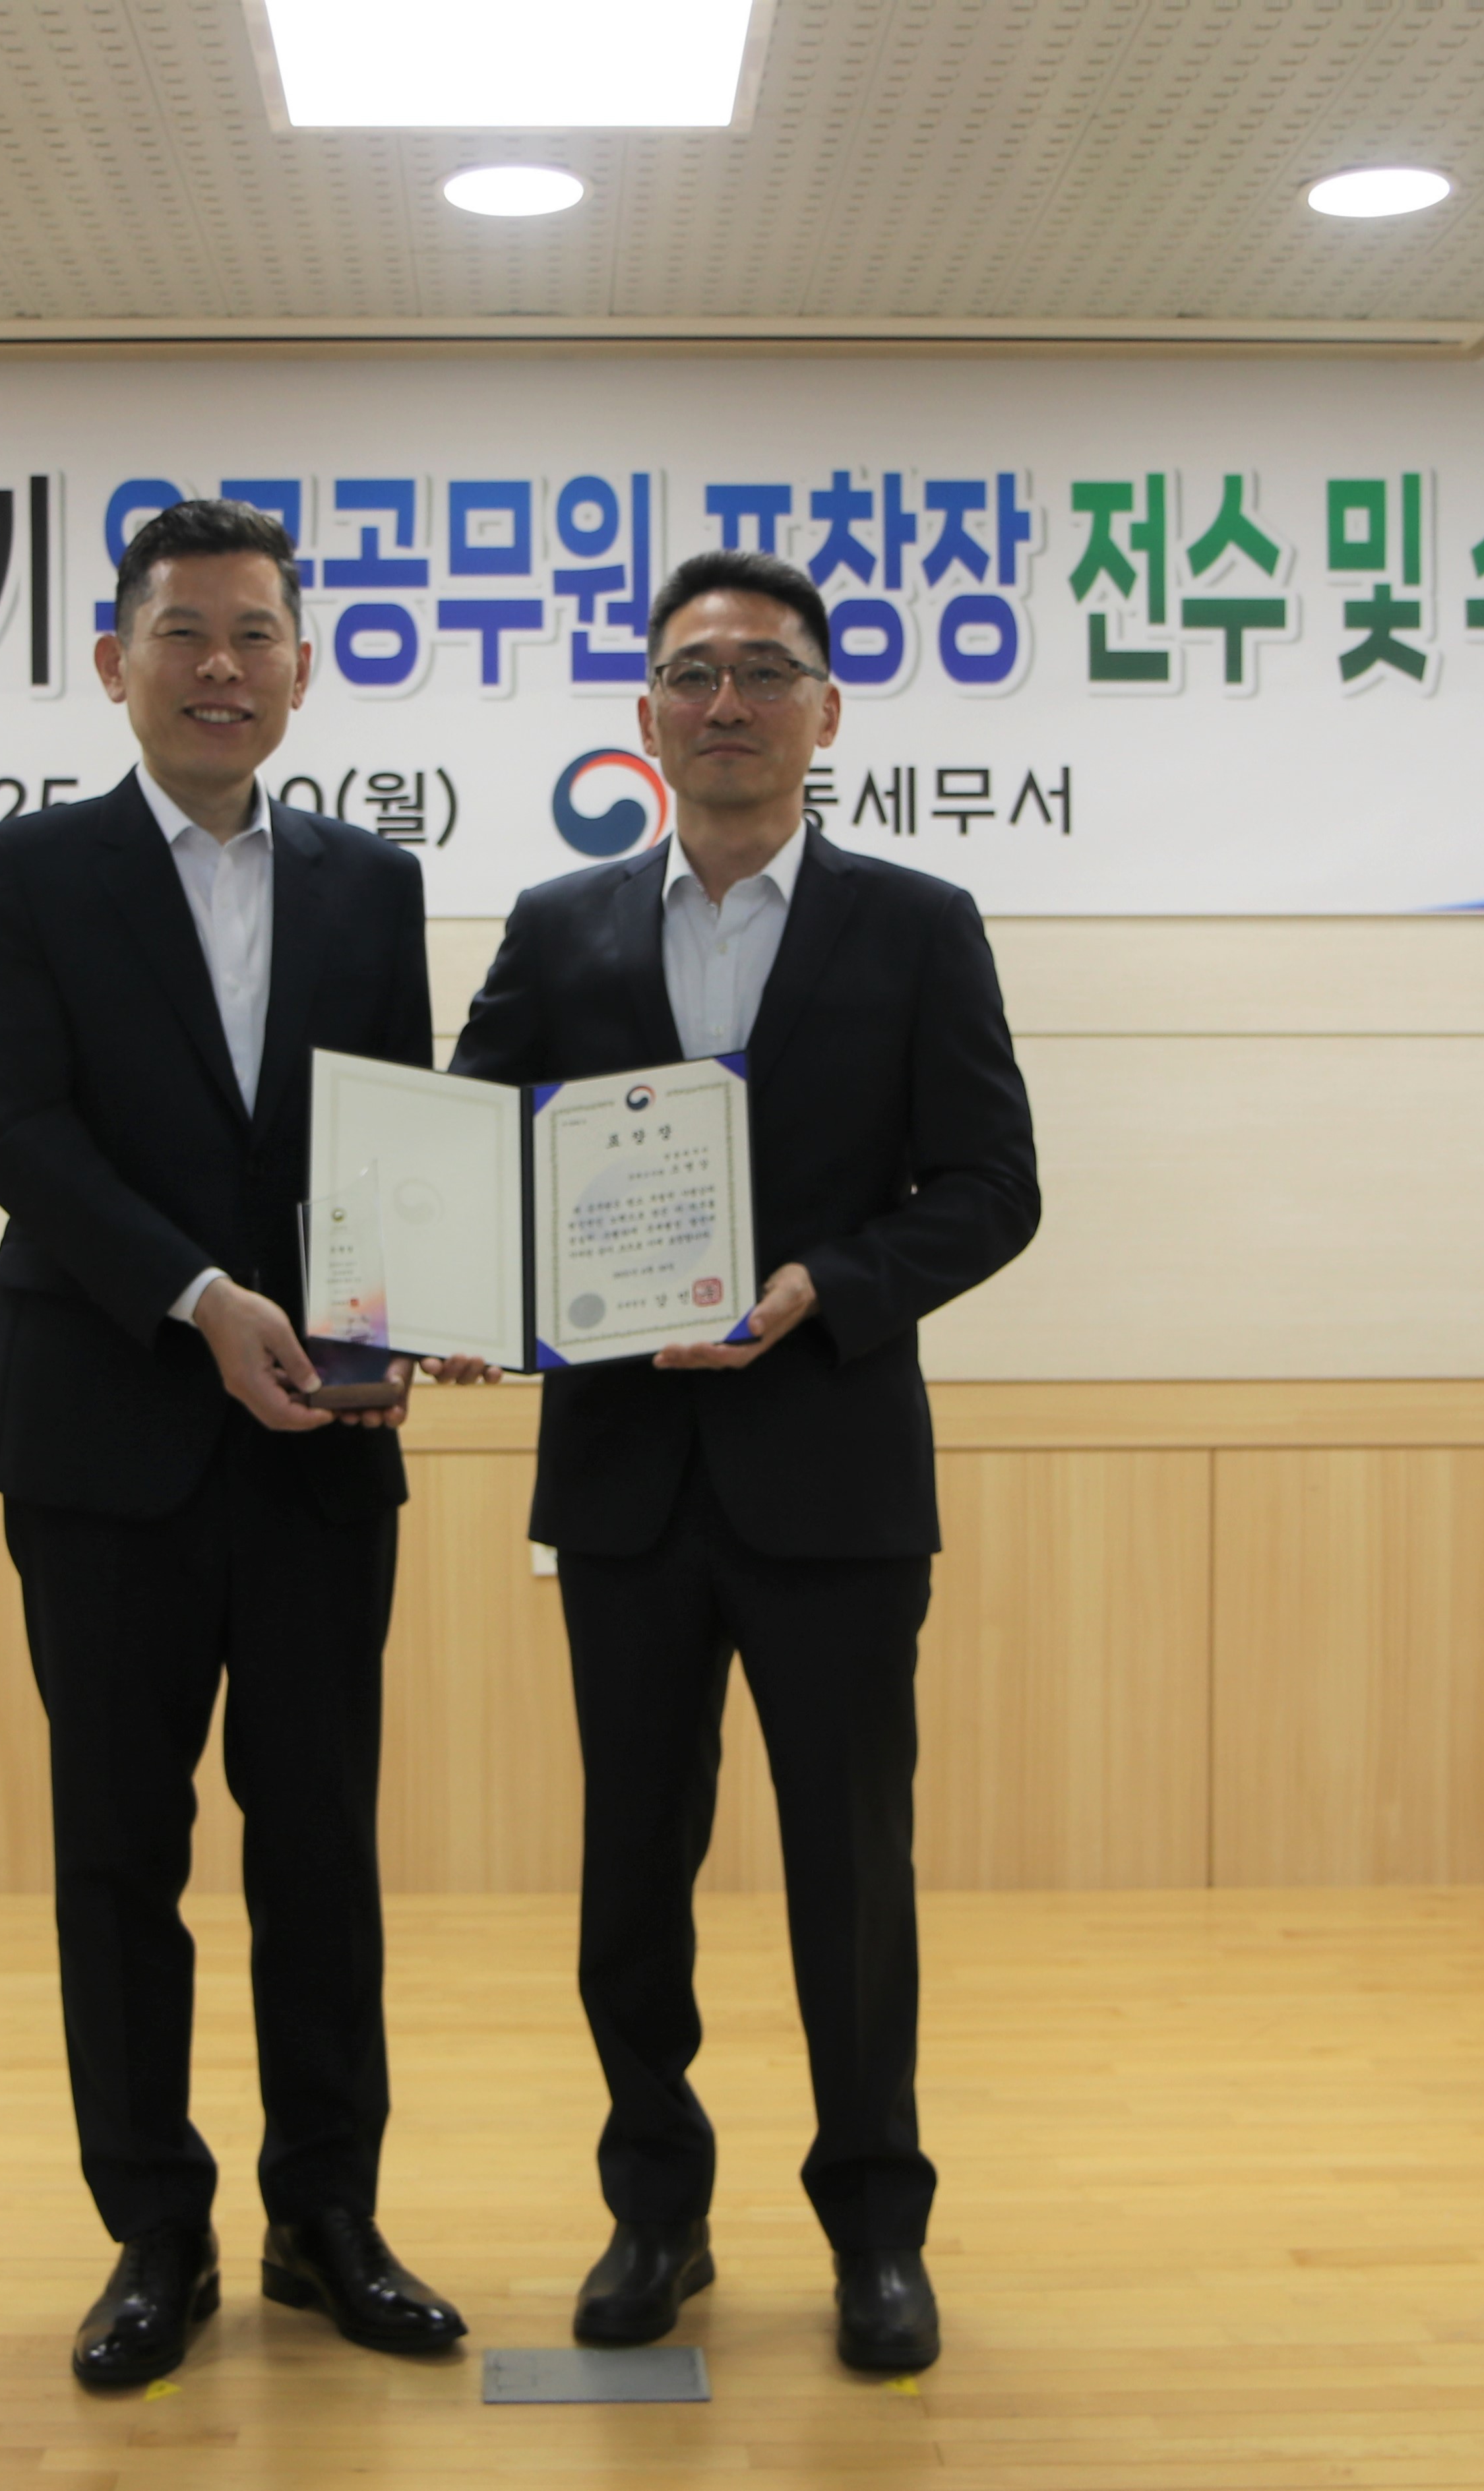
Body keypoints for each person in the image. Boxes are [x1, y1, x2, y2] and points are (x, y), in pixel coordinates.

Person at [444, 546, 1039, 2374]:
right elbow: (467, 1157)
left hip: (834, 1480)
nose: (727, 703)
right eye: (694, 674)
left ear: (825, 712)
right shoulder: (559, 926)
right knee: (631, 1873)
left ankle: (875, 2228)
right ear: (644, 716)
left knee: (851, 1872)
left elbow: (990, 1189)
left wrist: (819, 1290)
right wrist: (428, 1291)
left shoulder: (918, 923)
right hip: (623, 1481)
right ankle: (656, 2212)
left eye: (765, 672)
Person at [0, 499, 466, 2387]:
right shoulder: (23, 871)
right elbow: (12, 1127)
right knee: (119, 1850)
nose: (221, 666)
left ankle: (328, 2219)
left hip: (318, 1438)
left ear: (303, 669)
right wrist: (198, 1296)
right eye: (185, 633)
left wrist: (419, 1303)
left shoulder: (369, 883)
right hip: (102, 1433)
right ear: (116, 660)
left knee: (321, 1843)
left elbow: (391, 1138)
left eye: (256, 635)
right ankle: (154, 2232)